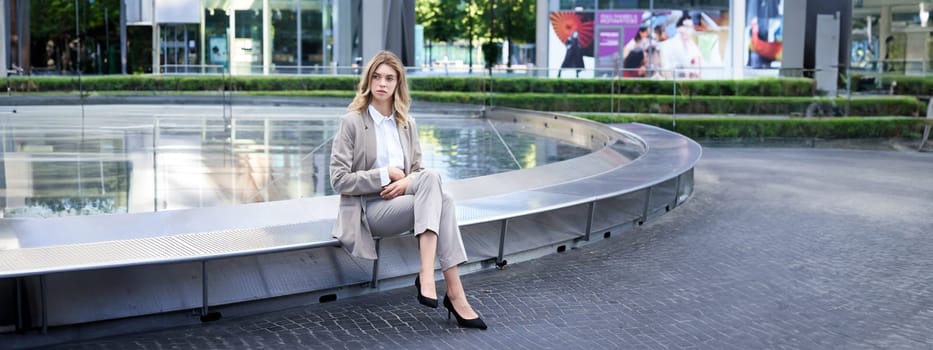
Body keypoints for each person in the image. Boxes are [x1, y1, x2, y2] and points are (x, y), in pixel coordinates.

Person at [330, 50, 487, 330]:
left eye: (389, 78)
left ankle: (450, 289)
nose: (382, 83)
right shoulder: (352, 122)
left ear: (398, 84)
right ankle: (434, 280)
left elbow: (418, 171)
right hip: (370, 210)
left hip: (403, 202)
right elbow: (339, 179)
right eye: (376, 77)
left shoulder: (406, 123)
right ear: (368, 80)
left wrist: (404, 182)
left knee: (444, 197)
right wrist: (383, 175)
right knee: (442, 196)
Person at [659, 14, 703, 79]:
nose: (687, 30)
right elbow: (666, 70)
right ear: (678, 28)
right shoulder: (667, 45)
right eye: (686, 26)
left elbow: (698, 69)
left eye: (690, 27)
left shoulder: (694, 48)